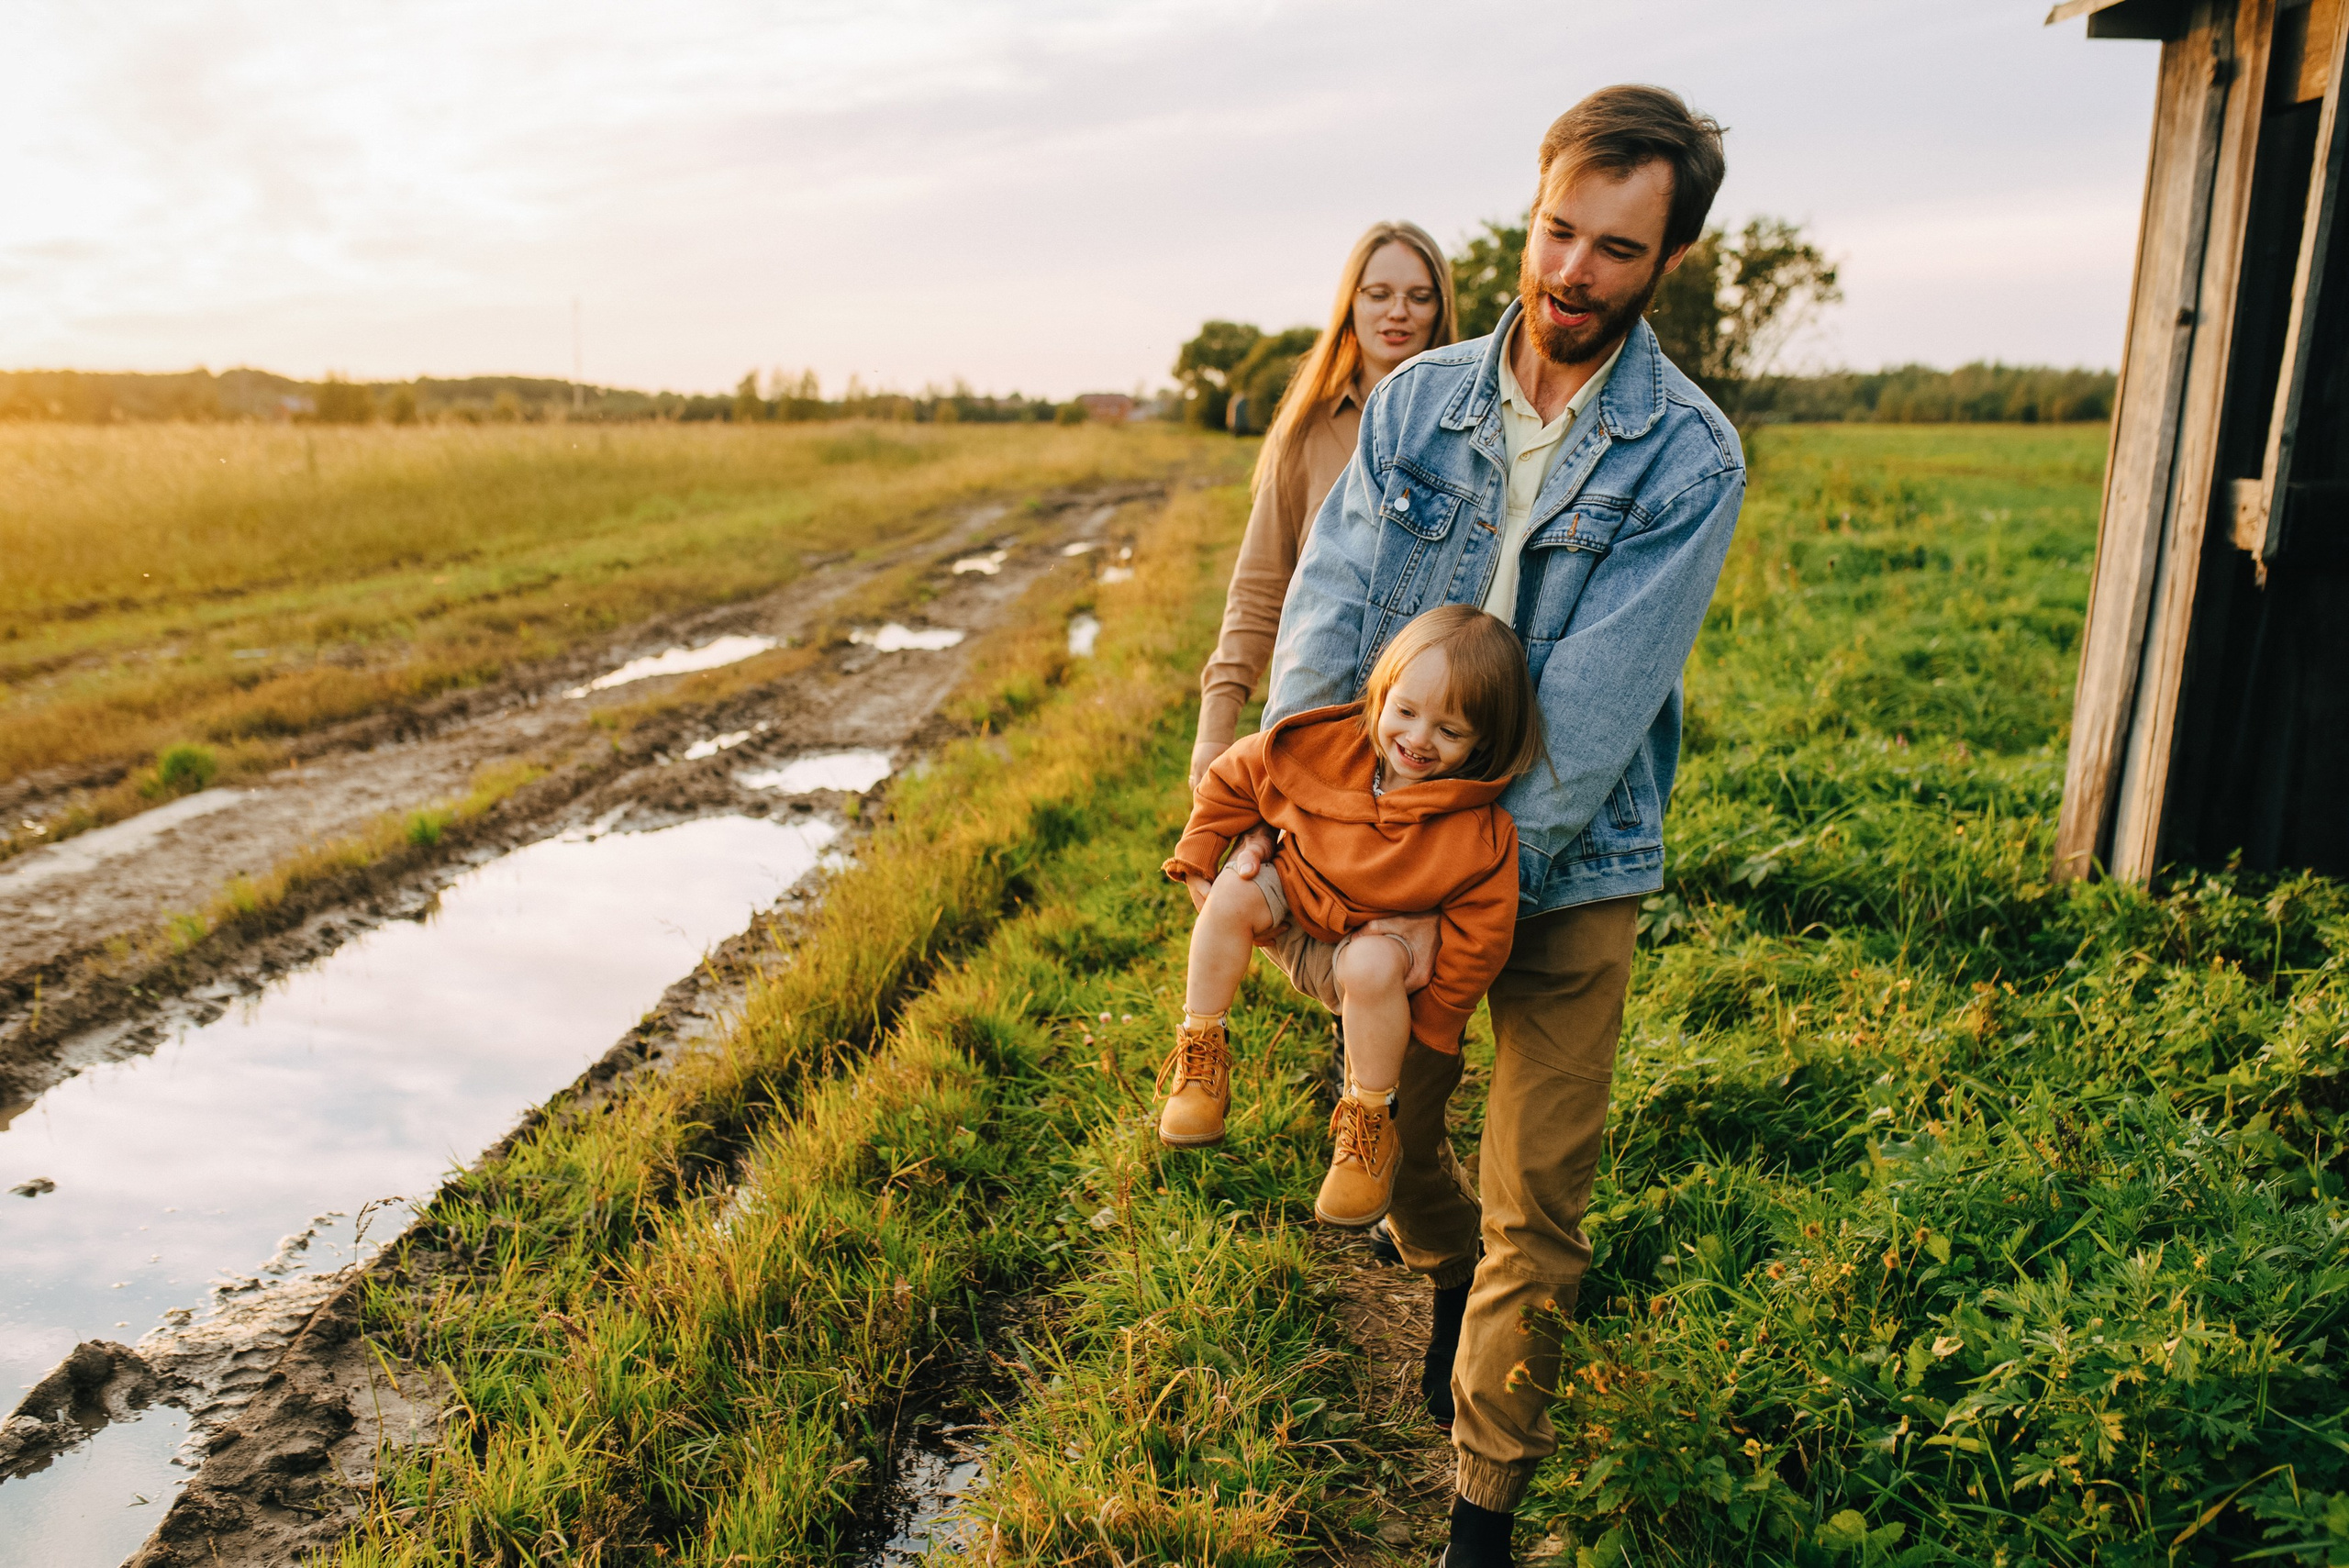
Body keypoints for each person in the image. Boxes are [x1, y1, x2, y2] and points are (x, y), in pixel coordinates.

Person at [1252, 86, 1744, 1568]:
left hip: (1569, 872)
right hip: (1389, 849)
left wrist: (1436, 886)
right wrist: (1302, 811)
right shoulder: (1414, 404)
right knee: (1389, 1135)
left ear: (1667, 262)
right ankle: (1440, 1254)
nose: (1571, 272)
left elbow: (1587, 720)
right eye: (1555, 233)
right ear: (1527, 215)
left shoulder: (1689, 458)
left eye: (1614, 249)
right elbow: (1332, 612)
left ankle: (1481, 1507)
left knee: (1544, 1201)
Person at [1156, 606, 1541, 1227]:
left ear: (1482, 743)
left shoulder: (1478, 829)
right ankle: (1201, 1049)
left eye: (1449, 731)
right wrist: (1200, 848)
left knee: (1370, 959)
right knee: (1234, 890)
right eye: (1406, 712)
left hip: (1373, 960)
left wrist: (1438, 1025)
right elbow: (1236, 773)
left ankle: (1368, 1120)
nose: (1417, 740)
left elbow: (1482, 937)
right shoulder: (1326, 747)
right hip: (1293, 905)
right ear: (1381, 694)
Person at [1190, 221, 1458, 794]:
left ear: (1441, 308)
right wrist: (1216, 727)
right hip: (1321, 716)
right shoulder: (1305, 431)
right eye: (1378, 294)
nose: (1398, 313)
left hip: (1436, 737)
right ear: (1350, 304)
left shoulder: (1473, 427)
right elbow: (1260, 590)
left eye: (1419, 296)